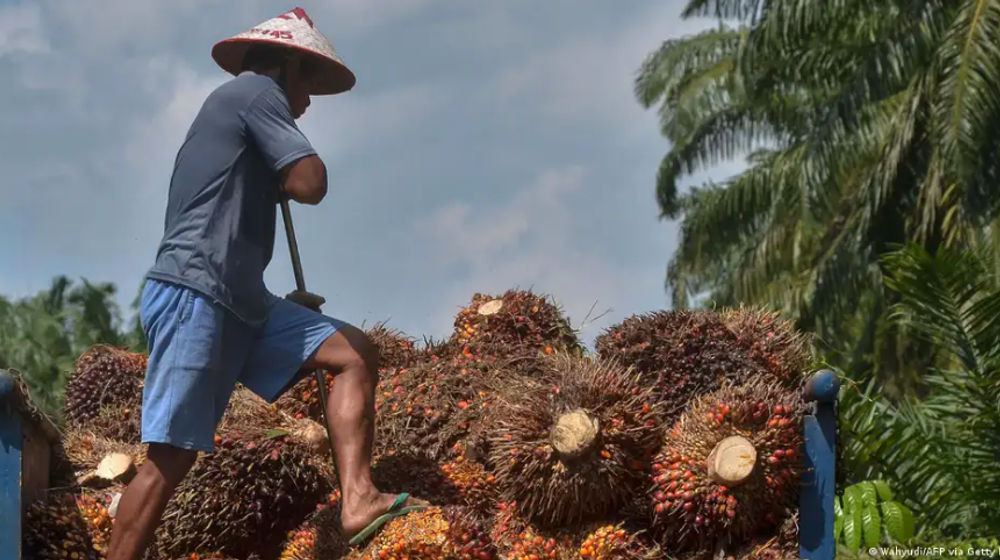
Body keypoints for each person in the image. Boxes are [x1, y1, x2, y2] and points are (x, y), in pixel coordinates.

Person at [107, 8, 426, 560]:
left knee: (353, 353)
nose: (307, 103)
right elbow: (311, 182)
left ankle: (358, 500)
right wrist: (286, 161)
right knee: (171, 457)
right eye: (309, 85)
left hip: (241, 299)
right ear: (285, 66)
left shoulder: (247, 112)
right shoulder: (257, 93)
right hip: (197, 293)